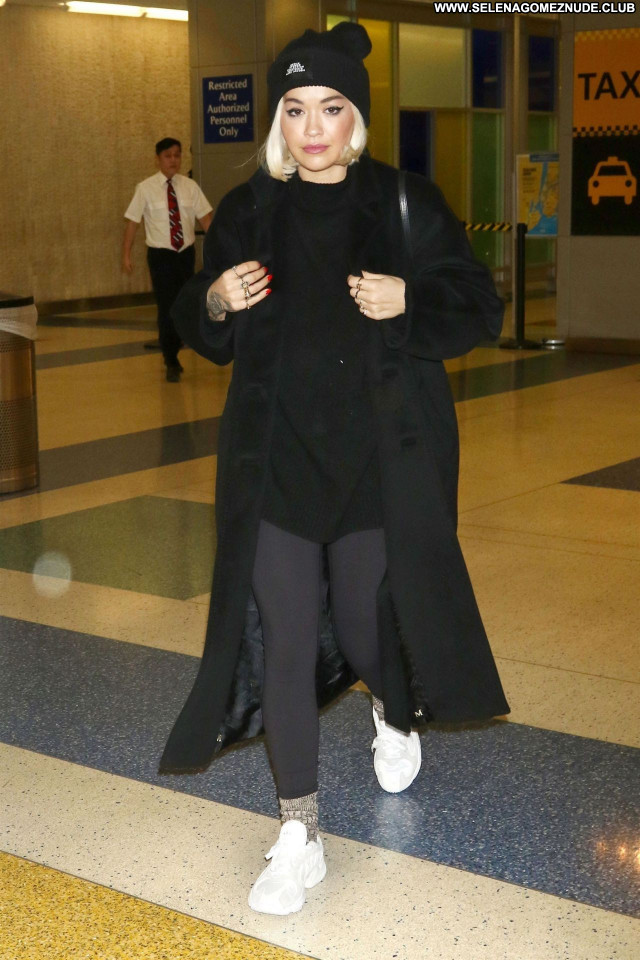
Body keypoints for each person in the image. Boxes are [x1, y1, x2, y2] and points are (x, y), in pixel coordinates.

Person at [159, 22, 510, 915]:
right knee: (282, 632)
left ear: (356, 118)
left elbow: (478, 304)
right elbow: (202, 322)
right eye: (294, 108)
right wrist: (214, 299)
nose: (312, 127)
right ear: (278, 120)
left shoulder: (404, 203)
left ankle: (394, 707)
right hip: (275, 457)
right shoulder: (249, 211)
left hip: (374, 459)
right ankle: (298, 833)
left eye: (330, 107)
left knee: (360, 623)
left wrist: (410, 299)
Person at [122, 138, 213, 381]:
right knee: (166, 306)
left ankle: (180, 343)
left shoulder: (190, 186)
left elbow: (206, 219)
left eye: (177, 155)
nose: (173, 160)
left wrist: (219, 248)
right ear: (158, 159)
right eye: (167, 156)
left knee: (185, 303)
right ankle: (170, 358)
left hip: (185, 253)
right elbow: (132, 222)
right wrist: (126, 254)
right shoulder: (145, 188)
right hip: (161, 255)